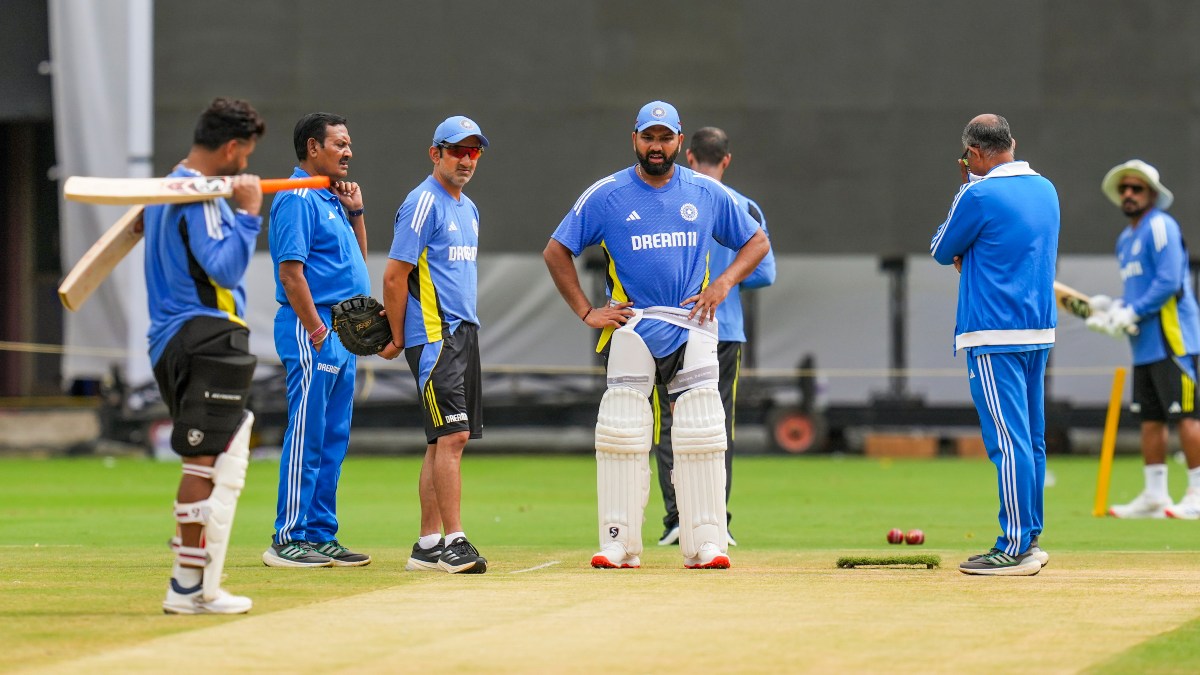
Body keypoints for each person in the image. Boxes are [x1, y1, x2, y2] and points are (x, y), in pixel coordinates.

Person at [544, 101, 769, 570]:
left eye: (666, 138)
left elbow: (757, 241)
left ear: (680, 142)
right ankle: (618, 543)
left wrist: (724, 285)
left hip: (692, 327)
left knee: (702, 433)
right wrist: (587, 312)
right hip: (634, 325)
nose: (657, 147)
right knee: (623, 432)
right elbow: (556, 250)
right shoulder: (606, 194)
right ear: (635, 140)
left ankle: (707, 542)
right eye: (649, 137)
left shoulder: (706, 192)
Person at [147, 97, 265, 613]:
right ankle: (188, 587)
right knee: (209, 457)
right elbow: (223, 268)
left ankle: (197, 584)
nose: (246, 164)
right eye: (246, 153)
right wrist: (248, 214)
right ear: (233, 147)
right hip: (207, 333)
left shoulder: (166, 188)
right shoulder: (199, 195)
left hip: (170, 340)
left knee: (221, 447)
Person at [930, 114, 1058, 576]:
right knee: (1032, 441)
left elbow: (942, 248)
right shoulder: (1046, 188)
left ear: (974, 154)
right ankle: (1032, 537)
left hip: (992, 331)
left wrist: (965, 187)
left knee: (1007, 442)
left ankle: (1015, 546)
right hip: (1038, 329)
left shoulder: (977, 193)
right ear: (1013, 143)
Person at [265, 112, 389, 568]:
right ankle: (288, 537)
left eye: (349, 143)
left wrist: (356, 213)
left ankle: (319, 533)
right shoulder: (296, 197)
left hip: (342, 331)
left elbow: (356, 261)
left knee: (333, 435)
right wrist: (316, 329)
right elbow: (290, 273)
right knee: (307, 430)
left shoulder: (332, 199)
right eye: (338, 143)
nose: (348, 151)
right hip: (311, 327)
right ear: (313, 148)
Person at [654, 126, 776, 547]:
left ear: (688, 156)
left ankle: (675, 519)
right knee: (717, 425)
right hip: (725, 330)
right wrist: (727, 282)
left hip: (671, 326)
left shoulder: (671, 198)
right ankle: (715, 520)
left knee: (669, 424)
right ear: (726, 159)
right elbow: (765, 272)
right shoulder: (744, 206)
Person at [383, 116, 490, 574]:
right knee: (454, 435)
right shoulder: (422, 202)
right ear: (435, 153)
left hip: (463, 331)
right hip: (434, 334)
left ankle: (427, 544)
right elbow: (394, 275)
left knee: (439, 440)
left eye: (473, 151)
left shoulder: (468, 208)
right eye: (456, 150)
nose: (465, 159)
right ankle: (455, 541)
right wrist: (396, 334)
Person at [1086, 160, 1200, 520]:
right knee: (1150, 419)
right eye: (1124, 189)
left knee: (1187, 416)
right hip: (1144, 347)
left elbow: (1168, 282)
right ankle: (1154, 495)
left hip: (1174, 340)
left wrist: (1131, 312)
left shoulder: (1161, 226)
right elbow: (1139, 289)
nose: (1129, 194)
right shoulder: (1126, 239)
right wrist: (1115, 309)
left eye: (1137, 188)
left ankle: (1198, 493)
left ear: (1152, 193)